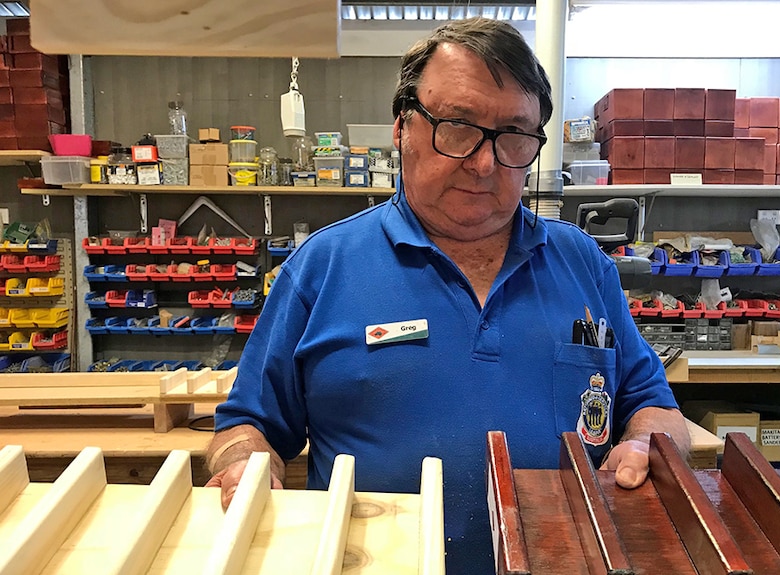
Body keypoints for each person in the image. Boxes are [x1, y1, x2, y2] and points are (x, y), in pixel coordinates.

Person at [206, 17, 690, 573]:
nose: (485, 163)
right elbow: (247, 427)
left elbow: (655, 409)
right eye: (458, 126)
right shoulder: (321, 268)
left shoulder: (585, 265)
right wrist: (245, 461)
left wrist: (650, 448)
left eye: (514, 135)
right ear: (402, 127)